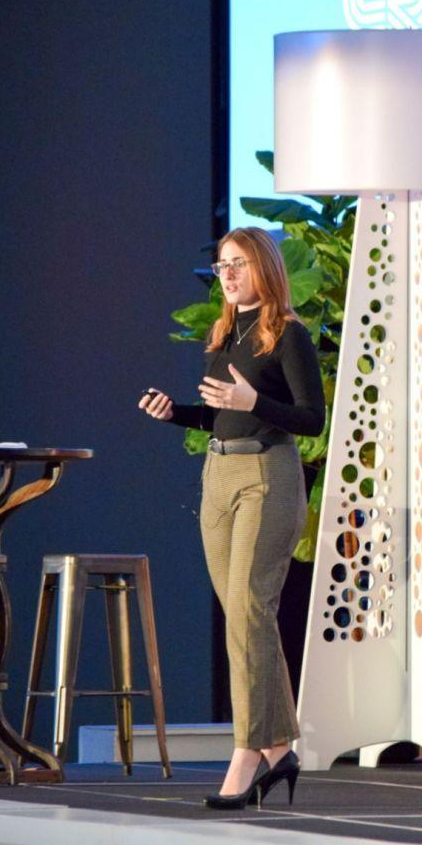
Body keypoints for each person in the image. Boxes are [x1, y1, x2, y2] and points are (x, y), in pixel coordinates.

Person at [139, 226, 325, 809]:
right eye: (222, 265)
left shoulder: (286, 335)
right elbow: (224, 418)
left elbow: (310, 419)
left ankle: (248, 752)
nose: (229, 274)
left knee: (248, 607)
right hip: (218, 477)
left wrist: (253, 402)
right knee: (245, 615)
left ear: (264, 267)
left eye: (239, 263)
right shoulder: (225, 333)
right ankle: (279, 751)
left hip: (268, 476)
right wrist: (179, 414)